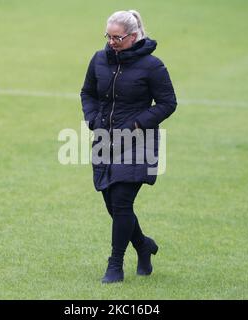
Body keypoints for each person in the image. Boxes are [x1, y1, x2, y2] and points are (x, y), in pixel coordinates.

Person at [80, 10, 177, 283]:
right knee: (112, 203)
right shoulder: (98, 59)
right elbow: (87, 92)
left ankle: (115, 265)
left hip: (138, 142)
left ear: (133, 37)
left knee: (122, 203)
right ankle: (144, 246)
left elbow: (168, 103)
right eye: (108, 36)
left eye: (117, 37)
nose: (111, 42)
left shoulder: (152, 66)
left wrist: (136, 125)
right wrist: (91, 119)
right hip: (104, 140)